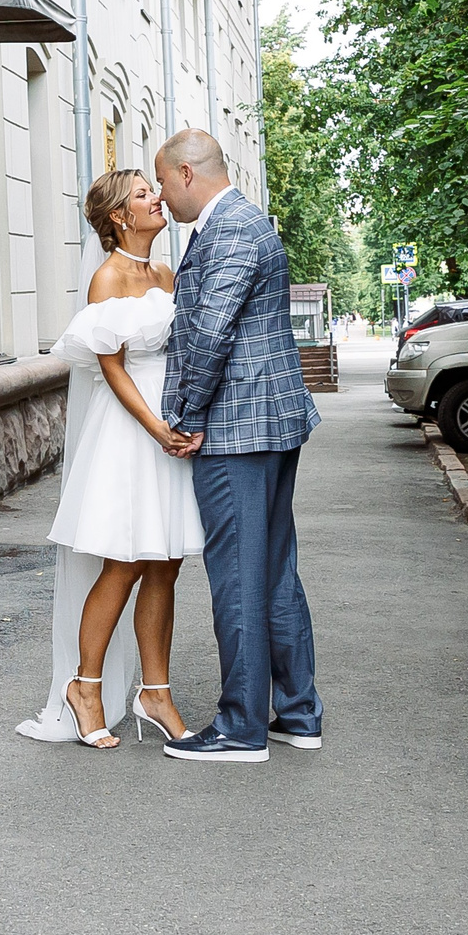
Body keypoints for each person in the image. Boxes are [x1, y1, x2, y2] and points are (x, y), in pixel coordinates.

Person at [16, 168, 204, 748]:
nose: (157, 199)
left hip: (170, 426)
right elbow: (111, 368)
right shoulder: (107, 278)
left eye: (155, 190)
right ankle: (85, 686)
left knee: (165, 562)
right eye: (144, 194)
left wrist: (183, 422)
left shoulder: (168, 274)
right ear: (120, 216)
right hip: (130, 430)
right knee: (122, 562)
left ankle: (156, 692)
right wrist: (156, 429)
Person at [153, 128, 324, 763]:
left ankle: (241, 727)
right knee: (275, 568)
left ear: (187, 174)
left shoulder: (226, 229)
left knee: (239, 576)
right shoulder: (250, 221)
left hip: (236, 428)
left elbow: (209, 332)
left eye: (165, 184)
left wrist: (186, 415)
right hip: (272, 421)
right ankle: (298, 712)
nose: (164, 199)